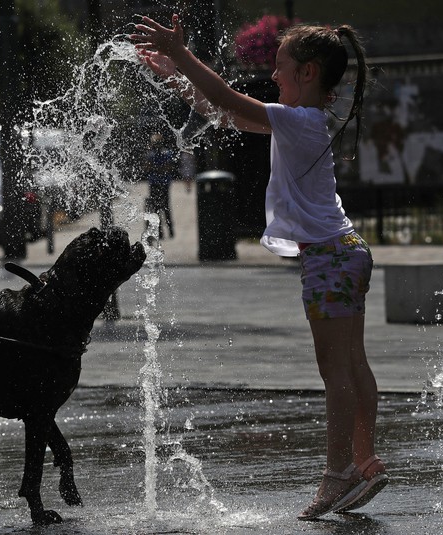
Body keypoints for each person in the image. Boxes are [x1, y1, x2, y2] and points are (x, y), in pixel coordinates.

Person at [131, 14, 388, 520]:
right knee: (354, 365)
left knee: (336, 372)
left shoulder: (298, 120)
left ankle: (338, 477)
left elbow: (228, 98)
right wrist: (174, 77)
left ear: (309, 73)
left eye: (281, 66)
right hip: (348, 250)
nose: (274, 75)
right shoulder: (303, 121)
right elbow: (225, 114)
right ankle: (365, 461)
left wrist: (182, 54)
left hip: (328, 259)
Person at [145, 132, 176, 239]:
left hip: (158, 182)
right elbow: (167, 168)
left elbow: (148, 168)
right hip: (160, 182)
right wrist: (160, 169)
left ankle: (164, 231)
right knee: (163, 207)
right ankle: (166, 231)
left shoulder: (155, 154)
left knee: (161, 207)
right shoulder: (166, 153)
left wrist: (155, 169)